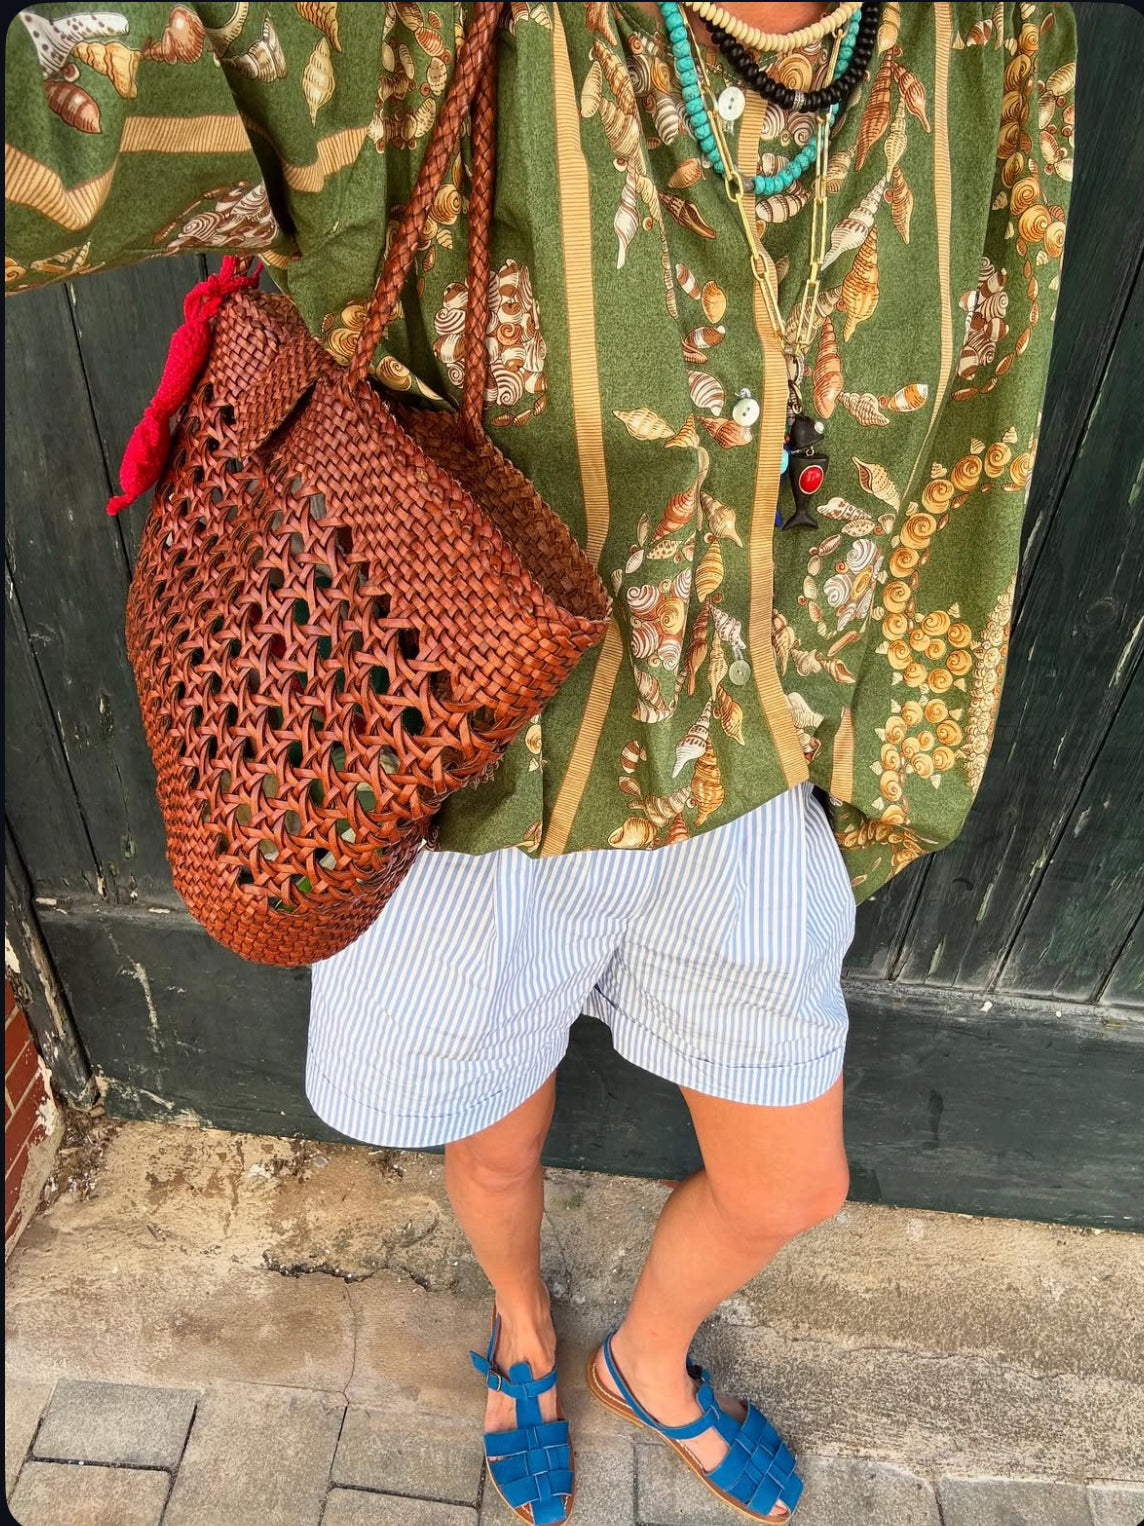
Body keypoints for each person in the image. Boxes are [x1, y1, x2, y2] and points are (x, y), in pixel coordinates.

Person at [5, 1, 1075, 1519]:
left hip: (744, 768)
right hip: (456, 772)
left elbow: (984, 388)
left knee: (794, 1180)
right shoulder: (401, 24)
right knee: (497, 1152)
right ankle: (520, 1328)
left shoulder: (990, 38)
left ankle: (647, 1355)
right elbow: (83, 110)